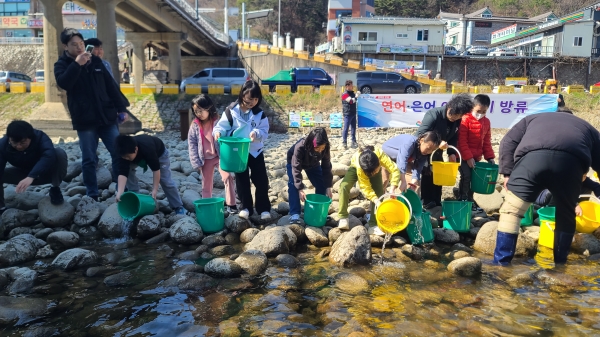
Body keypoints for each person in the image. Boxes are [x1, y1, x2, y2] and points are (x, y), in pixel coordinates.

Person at [494, 112, 600, 265]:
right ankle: (560, 266)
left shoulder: (531, 119)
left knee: (512, 211)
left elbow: (507, 142)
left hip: (532, 160)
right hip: (570, 164)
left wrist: (507, 173)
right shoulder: (587, 128)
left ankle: (501, 265)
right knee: (566, 215)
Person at [54, 28, 128, 201]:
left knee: (118, 153)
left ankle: (122, 190)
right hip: (84, 119)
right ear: (66, 46)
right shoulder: (62, 64)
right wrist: (77, 64)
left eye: (81, 43)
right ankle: (92, 194)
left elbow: (110, 85)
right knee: (88, 158)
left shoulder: (94, 60)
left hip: (106, 116)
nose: (80, 47)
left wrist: (121, 108)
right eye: (74, 44)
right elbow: (64, 83)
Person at [214, 80, 271, 220]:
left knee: (261, 180)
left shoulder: (259, 113)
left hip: (255, 150)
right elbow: (221, 126)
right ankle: (245, 207)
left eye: (255, 99)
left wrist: (256, 133)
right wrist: (218, 133)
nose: (252, 102)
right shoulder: (231, 111)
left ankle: (263, 208)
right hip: (237, 151)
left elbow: (265, 131)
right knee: (241, 180)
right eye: (249, 100)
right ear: (242, 96)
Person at [416, 93, 474, 209]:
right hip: (426, 151)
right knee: (427, 174)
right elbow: (419, 136)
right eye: (454, 115)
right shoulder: (433, 115)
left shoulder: (456, 121)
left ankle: (437, 202)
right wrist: (437, 144)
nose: (455, 118)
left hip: (440, 152)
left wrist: (451, 153)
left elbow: (453, 137)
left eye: (459, 116)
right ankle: (426, 203)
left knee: (439, 175)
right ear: (450, 107)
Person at [0, 121, 67, 214]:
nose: (18, 146)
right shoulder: (3, 144)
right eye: (14, 143)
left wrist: (32, 176)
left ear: (30, 137)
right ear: (9, 138)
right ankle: (1, 208)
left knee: (59, 153)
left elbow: (49, 156)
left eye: (23, 142)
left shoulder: (40, 137)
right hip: (23, 175)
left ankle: (55, 189)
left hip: (47, 174)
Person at [188, 94, 237, 214]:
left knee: (228, 177)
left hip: (219, 157)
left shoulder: (218, 121)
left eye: (201, 110)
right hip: (205, 159)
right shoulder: (195, 125)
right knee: (206, 184)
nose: (199, 113)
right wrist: (196, 162)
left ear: (208, 107)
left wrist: (230, 156)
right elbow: (192, 144)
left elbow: (226, 136)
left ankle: (232, 204)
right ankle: (207, 205)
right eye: (196, 111)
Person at [115, 135, 186, 215]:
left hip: (159, 154)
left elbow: (156, 170)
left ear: (136, 149)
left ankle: (178, 206)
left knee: (166, 181)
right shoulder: (123, 153)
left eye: (128, 156)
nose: (126, 158)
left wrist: (155, 189)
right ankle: (135, 198)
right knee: (128, 172)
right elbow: (122, 173)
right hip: (136, 157)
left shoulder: (147, 148)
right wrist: (120, 192)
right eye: (124, 157)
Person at [338, 146, 400, 233]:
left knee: (379, 193)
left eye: (375, 171)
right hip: (357, 168)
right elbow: (365, 187)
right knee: (344, 186)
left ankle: (373, 225)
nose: (373, 174)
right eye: (372, 173)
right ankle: (343, 216)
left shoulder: (380, 155)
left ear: (378, 162)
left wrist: (393, 188)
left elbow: (395, 169)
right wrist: (376, 201)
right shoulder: (360, 168)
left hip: (371, 168)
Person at [286, 128, 333, 224]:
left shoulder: (326, 148)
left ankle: (319, 210)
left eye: (322, 148)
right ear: (311, 143)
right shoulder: (300, 147)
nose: (320, 151)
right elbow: (296, 168)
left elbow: (326, 167)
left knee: (322, 183)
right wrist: (300, 189)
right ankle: (294, 214)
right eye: (317, 148)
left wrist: (328, 186)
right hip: (294, 162)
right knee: (293, 184)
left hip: (312, 163)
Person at [457, 94, 495, 210]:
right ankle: (462, 199)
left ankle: (470, 199)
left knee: (474, 178)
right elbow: (461, 141)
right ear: (473, 107)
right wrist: (468, 157)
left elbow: (486, 141)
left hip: (476, 156)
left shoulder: (486, 122)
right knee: (466, 176)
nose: (481, 113)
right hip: (462, 156)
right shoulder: (465, 119)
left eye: (484, 111)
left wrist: (490, 157)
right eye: (478, 110)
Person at [341, 79, 359, 149]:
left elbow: (355, 100)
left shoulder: (353, 93)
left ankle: (353, 141)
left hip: (353, 113)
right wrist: (356, 97)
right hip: (347, 114)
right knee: (346, 128)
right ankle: (344, 142)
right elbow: (351, 101)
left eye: (352, 85)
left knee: (353, 128)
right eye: (351, 85)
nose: (352, 86)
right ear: (347, 86)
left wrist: (357, 95)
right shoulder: (344, 94)